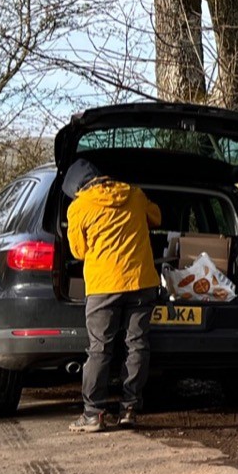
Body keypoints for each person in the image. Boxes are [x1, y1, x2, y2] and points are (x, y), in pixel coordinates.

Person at [64, 159, 162, 432]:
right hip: (141, 281)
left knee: (99, 348)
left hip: (104, 286)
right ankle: (130, 408)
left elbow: (77, 251)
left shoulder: (79, 207)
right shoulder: (134, 194)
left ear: (77, 188)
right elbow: (156, 217)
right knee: (137, 344)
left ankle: (93, 413)